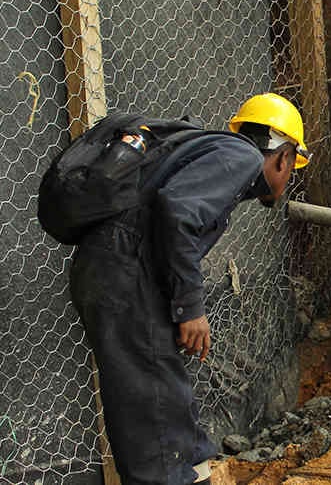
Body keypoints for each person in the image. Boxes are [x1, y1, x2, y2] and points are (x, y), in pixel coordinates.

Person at [69, 93, 310, 484]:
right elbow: (178, 210)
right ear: (283, 156)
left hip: (112, 268)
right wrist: (190, 308)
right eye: (291, 167)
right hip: (126, 271)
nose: (287, 177)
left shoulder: (211, 151)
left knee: (156, 395)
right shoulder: (242, 157)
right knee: (152, 412)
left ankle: (193, 471)